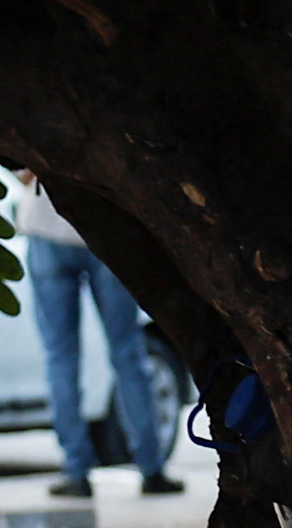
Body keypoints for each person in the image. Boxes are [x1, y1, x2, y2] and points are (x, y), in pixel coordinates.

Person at [11, 174, 176, 500]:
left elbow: (21, 170)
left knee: (61, 357)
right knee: (128, 350)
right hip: (105, 227)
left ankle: (76, 471)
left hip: (46, 225)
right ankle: (152, 468)